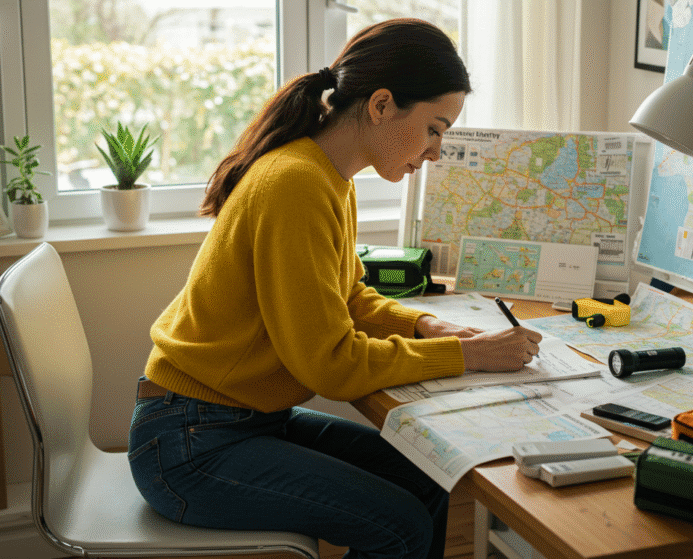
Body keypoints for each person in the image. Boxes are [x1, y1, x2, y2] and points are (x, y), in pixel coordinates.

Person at [128, 18, 542, 559]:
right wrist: (466, 356)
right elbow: (330, 364)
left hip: (237, 422)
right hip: (190, 444)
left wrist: (423, 324)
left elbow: (345, 294)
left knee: (432, 474)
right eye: (435, 128)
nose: (438, 151)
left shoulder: (329, 177)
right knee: (399, 526)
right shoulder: (296, 183)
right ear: (381, 105)